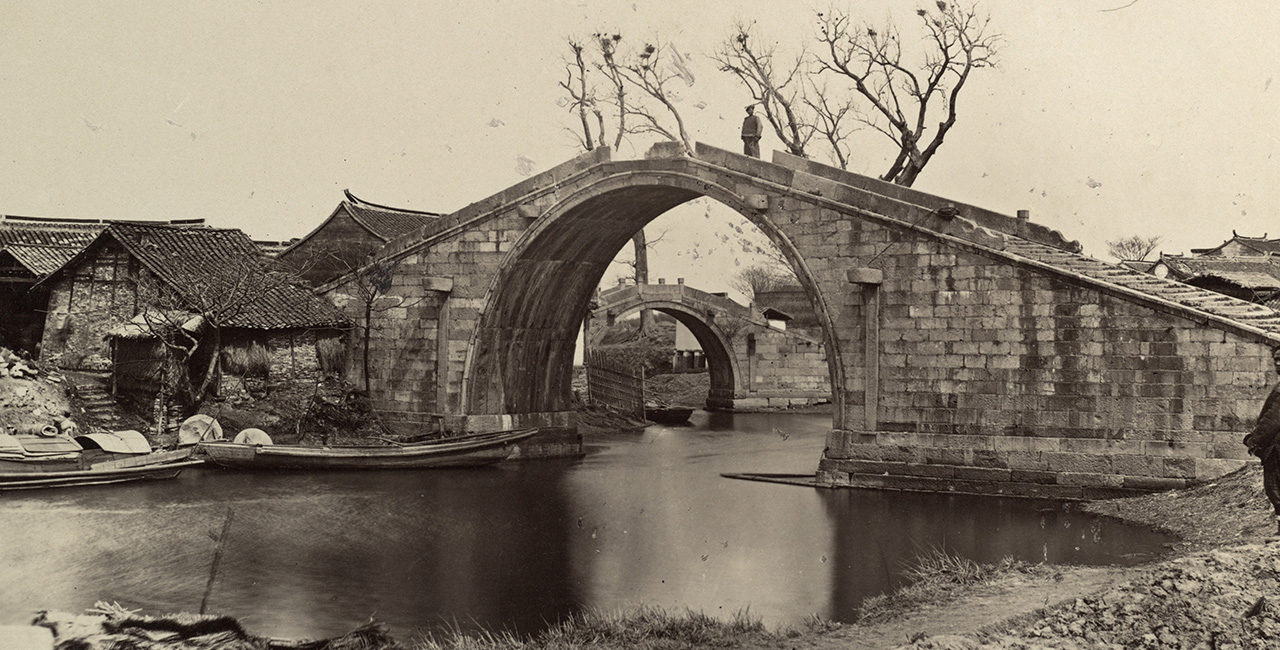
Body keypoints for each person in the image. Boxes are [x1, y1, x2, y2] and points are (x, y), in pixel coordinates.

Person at [1244, 346, 1280, 534]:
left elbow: (1273, 419)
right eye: (1275, 360)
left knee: (1274, 487)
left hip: (1277, 448)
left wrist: (1254, 440)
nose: (1278, 364)